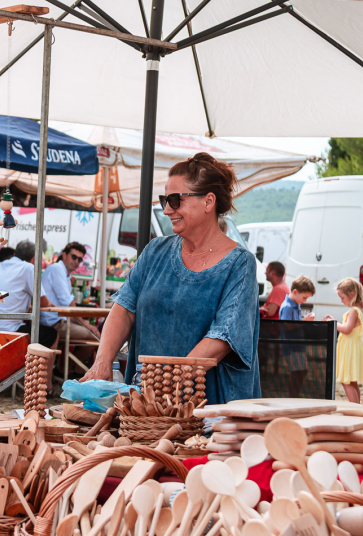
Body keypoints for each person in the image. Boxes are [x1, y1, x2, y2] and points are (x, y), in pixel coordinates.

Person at [80, 153, 260, 405]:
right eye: (165, 200)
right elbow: (124, 309)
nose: (166, 210)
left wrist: (170, 385)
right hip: (148, 406)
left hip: (208, 409)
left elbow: (223, 338)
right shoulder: (155, 251)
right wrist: (102, 363)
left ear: (208, 201)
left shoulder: (240, 263)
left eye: (175, 200)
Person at [0, 240, 58, 350]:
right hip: (5, 330)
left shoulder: (1, 265)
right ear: (33, 259)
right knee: (52, 334)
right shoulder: (28, 268)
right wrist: (50, 304)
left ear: (15, 253)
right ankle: (43, 368)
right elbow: (43, 303)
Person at [40, 241, 101, 345]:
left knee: (95, 335)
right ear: (64, 255)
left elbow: (69, 306)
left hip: (59, 321)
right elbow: (68, 302)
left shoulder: (65, 273)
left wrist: (83, 322)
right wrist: (83, 323)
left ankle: (74, 361)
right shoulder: (57, 269)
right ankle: (74, 361)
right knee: (96, 336)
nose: (76, 261)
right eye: (74, 257)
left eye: (80, 259)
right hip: (53, 323)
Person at [326, 277, 363, 404]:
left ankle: (355, 408)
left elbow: (347, 329)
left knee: (346, 381)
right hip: (355, 347)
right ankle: (357, 406)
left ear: (352, 294)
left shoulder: (353, 311)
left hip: (350, 350)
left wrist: (333, 323)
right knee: (352, 380)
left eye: (342, 297)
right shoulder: (361, 310)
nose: (341, 301)